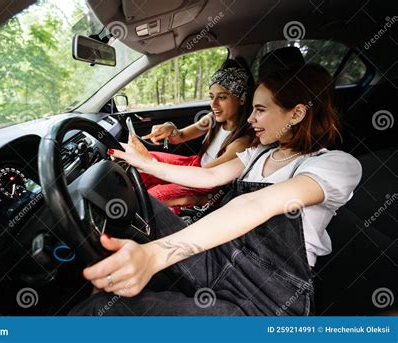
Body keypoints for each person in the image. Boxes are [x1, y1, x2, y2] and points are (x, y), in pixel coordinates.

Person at [70, 63, 362, 316]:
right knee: (135, 201)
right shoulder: (258, 154)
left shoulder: (335, 166)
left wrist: (155, 254)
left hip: (265, 299)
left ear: (296, 113)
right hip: (219, 255)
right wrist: (144, 163)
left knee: (105, 312)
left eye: (260, 110)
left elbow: (257, 205)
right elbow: (207, 177)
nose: (250, 119)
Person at [134, 58, 255, 211]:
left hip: (206, 184)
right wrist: (170, 128)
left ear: (242, 99)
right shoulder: (212, 119)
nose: (214, 104)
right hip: (195, 164)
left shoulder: (242, 141)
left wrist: (153, 166)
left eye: (222, 97)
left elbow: (205, 174)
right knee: (141, 164)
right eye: (212, 97)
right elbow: (181, 136)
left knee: (152, 197)